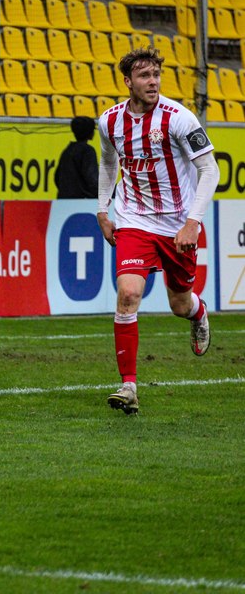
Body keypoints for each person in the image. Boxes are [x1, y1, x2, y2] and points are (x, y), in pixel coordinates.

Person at [96, 46, 216, 415]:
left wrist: (192, 222)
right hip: (134, 219)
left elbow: (210, 170)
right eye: (145, 76)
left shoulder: (180, 118)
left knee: (179, 303)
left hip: (177, 223)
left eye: (156, 75)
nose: (153, 82)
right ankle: (128, 386)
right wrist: (103, 208)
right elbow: (107, 163)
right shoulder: (110, 121)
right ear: (128, 81)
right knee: (128, 294)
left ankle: (198, 314)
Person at [55, 115, 98, 199]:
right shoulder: (87, 151)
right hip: (82, 201)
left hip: (64, 200)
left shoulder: (68, 150)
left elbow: (57, 177)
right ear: (90, 132)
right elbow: (92, 179)